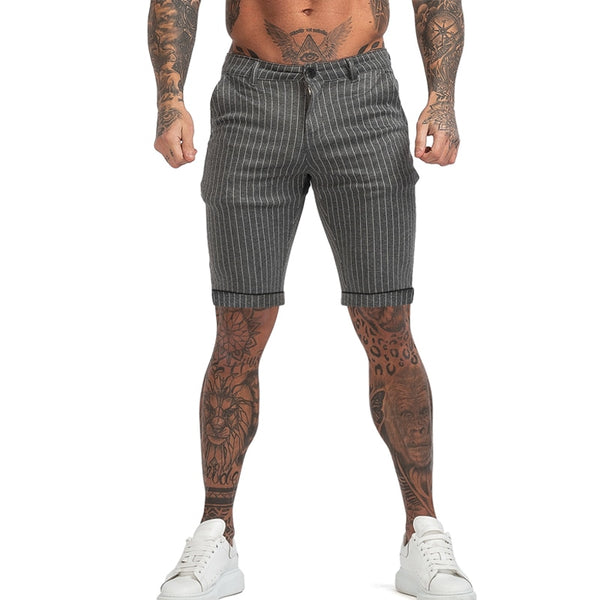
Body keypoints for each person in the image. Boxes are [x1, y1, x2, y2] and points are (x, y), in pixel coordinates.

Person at [147, 1, 475, 599]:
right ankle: (216, 532)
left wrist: (442, 95)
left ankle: (422, 531)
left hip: (362, 98)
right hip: (252, 99)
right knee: (238, 332)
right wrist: (171, 98)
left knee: (388, 326)